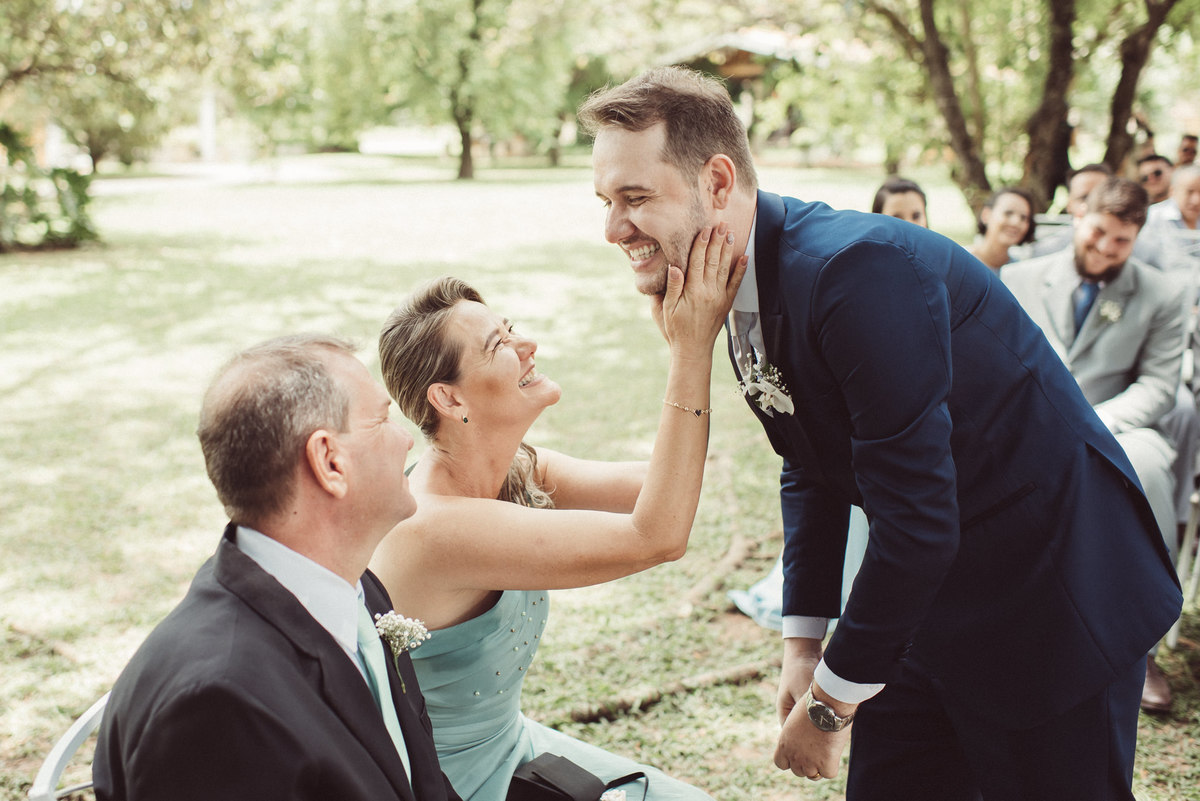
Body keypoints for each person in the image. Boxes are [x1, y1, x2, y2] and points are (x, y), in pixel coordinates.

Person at [579, 65, 1182, 801]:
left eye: (636, 198)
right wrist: (804, 641)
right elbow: (807, 457)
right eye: (608, 201)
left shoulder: (853, 271)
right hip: (921, 604)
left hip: (1052, 595)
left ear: (716, 180)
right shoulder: (727, 277)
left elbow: (920, 522)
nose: (614, 228)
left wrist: (830, 707)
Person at [372, 229, 743, 801]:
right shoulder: (433, 529)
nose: (529, 346)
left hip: (512, 746)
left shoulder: (518, 469)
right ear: (449, 400)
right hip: (452, 786)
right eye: (499, 345)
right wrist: (690, 352)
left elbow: (663, 490)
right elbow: (659, 536)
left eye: (511, 328)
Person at [93, 335, 462, 800]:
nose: (406, 438)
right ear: (330, 461)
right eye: (382, 420)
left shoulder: (358, 588)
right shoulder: (217, 707)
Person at [1001, 176, 1187, 714]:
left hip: (1118, 425)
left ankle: (1138, 645)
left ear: (1137, 239)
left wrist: (1090, 425)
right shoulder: (1019, 277)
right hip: (1026, 420)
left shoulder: (1165, 293)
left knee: (1151, 466)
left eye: (1121, 241)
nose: (1106, 249)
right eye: (1099, 232)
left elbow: (1158, 386)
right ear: (1079, 215)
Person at [1028, 162, 1113, 258]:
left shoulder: (1131, 249)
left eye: (1101, 197)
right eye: (1084, 198)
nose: (1093, 205)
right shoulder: (1046, 252)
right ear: (1069, 205)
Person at [969, 187, 1036, 269]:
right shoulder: (960, 261)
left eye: (1023, 218)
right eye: (1008, 213)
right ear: (986, 215)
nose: (1016, 222)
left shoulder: (1021, 270)